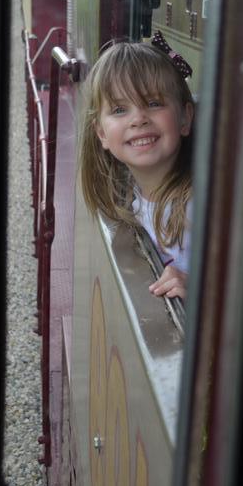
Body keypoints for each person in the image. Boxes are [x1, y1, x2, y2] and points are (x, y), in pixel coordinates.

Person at [79, 33, 194, 299]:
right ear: (101, 133)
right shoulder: (129, 191)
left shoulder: (199, 209)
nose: (138, 119)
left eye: (153, 104)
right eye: (120, 110)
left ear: (185, 118)